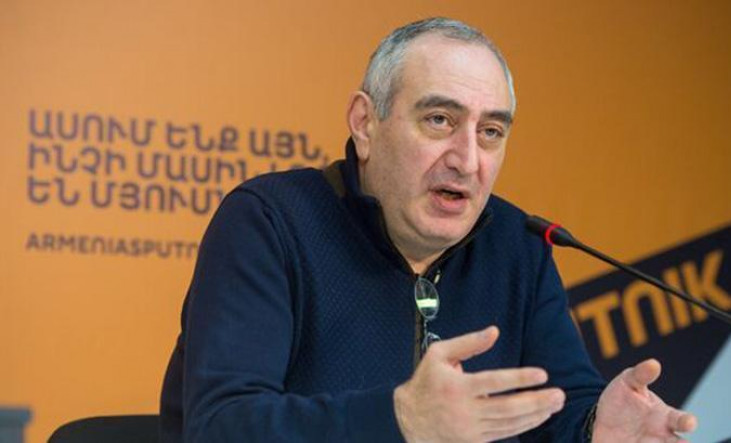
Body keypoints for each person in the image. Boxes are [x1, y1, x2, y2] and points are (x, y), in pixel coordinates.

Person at [160, 17, 698, 442]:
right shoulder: (271, 222)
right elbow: (222, 426)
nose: (467, 159)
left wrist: (596, 428)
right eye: (440, 120)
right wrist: (399, 419)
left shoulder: (519, 246)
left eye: (490, 131)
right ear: (365, 123)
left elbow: (559, 406)